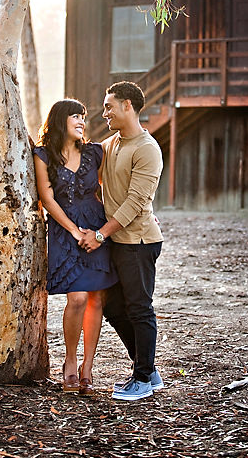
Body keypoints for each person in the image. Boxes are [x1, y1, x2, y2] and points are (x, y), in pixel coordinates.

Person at [79, 81, 164, 401]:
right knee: (114, 306)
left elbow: (135, 203)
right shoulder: (111, 144)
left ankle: (143, 378)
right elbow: (85, 167)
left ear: (128, 105)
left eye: (109, 106)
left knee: (139, 307)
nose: (105, 112)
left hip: (139, 241)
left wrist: (100, 235)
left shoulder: (147, 148)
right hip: (118, 239)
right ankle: (148, 369)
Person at [33, 99, 118, 396]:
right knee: (78, 298)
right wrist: (73, 231)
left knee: (96, 298)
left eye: (83, 117)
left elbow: (113, 185)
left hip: (96, 229)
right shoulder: (43, 155)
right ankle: (70, 361)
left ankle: (87, 369)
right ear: (60, 120)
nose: (82, 121)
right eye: (75, 117)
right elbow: (47, 197)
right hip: (65, 230)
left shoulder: (95, 152)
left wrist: (101, 231)